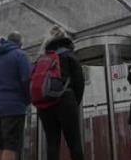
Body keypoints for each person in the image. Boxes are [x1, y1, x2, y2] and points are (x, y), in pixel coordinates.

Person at [37, 26, 85, 160]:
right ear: (65, 38)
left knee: (52, 143)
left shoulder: (43, 57)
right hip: (66, 100)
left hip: (45, 104)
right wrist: (75, 102)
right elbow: (79, 81)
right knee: (74, 143)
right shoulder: (69, 55)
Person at [0, 31, 31, 160]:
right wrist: (27, 99)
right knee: (10, 145)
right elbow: (26, 79)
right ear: (20, 43)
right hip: (14, 107)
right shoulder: (20, 55)